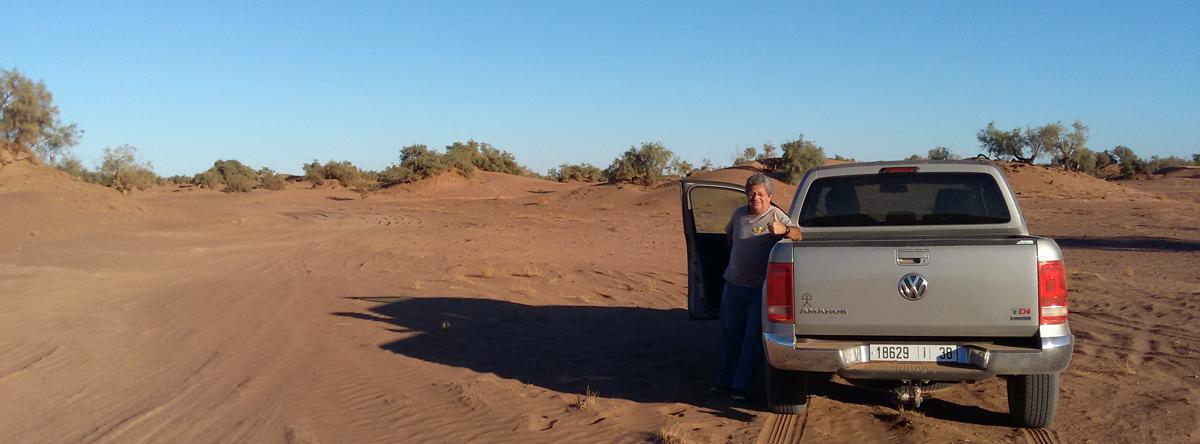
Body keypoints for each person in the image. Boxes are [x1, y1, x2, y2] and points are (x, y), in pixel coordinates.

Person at [714, 173, 802, 402]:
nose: (755, 198)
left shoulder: (776, 216)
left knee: (752, 339)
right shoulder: (739, 214)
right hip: (733, 285)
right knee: (729, 335)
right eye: (751, 193)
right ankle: (723, 382)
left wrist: (782, 231)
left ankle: (740, 387)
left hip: (759, 290)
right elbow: (729, 237)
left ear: (770, 197)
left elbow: (798, 234)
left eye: (761, 194)